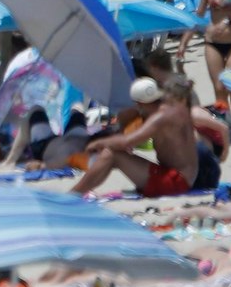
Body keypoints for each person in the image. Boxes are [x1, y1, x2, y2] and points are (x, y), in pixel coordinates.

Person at [73, 75, 215, 197]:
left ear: (141, 103)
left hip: (176, 182)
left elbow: (127, 142)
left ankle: (74, 195)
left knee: (112, 154)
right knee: (112, 152)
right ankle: (78, 193)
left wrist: (95, 144)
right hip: (183, 179)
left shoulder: (160, 118)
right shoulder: (173, 109)